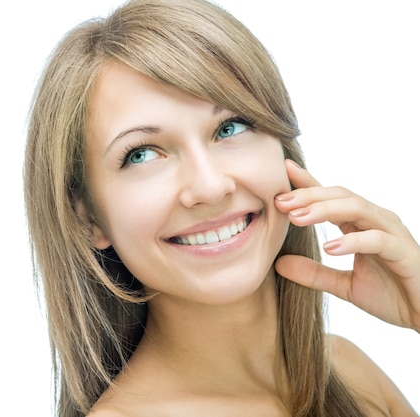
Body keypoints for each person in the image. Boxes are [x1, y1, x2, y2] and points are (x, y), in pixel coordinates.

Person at [23, 0, 420, 415]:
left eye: (230, 127)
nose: (210, 187)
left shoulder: (349, 373)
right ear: (86, 217)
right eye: (141, 154)